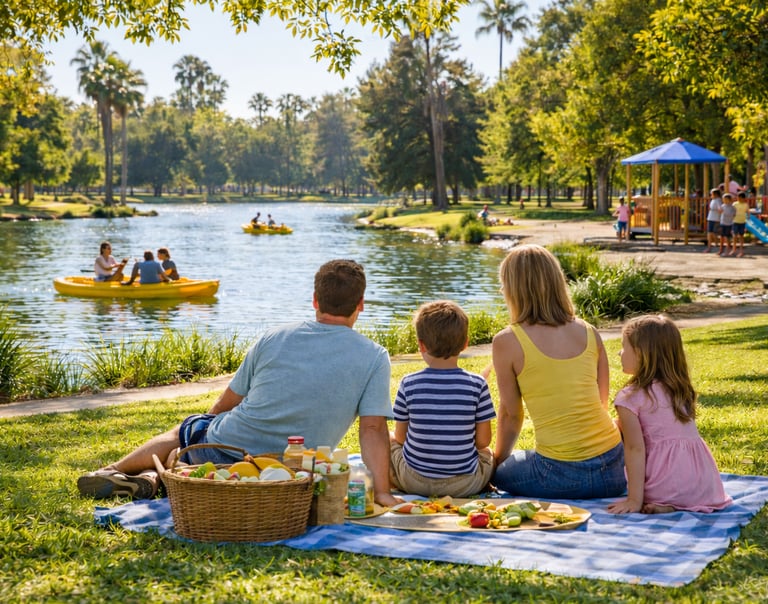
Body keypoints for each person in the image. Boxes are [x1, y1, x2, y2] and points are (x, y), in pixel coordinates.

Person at [78, 259, 401, 507]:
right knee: (190, 450)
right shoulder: (374, 356)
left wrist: (205, 430)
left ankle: (114, 470)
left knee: (188, 430)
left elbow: (226, 402)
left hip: (226, 452)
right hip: (298, 470)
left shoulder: (274, 337)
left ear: (315, 300)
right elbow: (372, 430)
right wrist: (383, 493)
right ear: (360, 304)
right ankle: (154, 477)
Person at [488, 244, 625, 499]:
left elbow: (510, 415)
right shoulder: (589, 331)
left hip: (558, 475)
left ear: (513, 289)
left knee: (498, 472)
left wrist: (498, 464)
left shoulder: (506, 341)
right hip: (614, 469)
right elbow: (602, 401)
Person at [607, 316, 732, 514]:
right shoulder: (679, 388)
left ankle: (664, 500)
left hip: (666, 482)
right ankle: (673, 505)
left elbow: (635, 449)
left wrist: (633, 500)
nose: (619, 352)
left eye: (624, 346)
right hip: (704, 485)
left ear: (641, 353)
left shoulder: (629, 397)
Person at [389, 300, 496, 498]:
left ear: (421, 345)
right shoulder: (478, 384)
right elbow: (483, 442)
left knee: (387, 439)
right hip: (465, 485)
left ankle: (390, 481)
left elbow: (401, 437)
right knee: (488, 454)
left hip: (414, 482)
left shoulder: (408, 383)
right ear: (465, 343)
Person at [702, 188, 722, 253]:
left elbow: (719, 209)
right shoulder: (713, 200)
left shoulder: (718, 200)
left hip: (715, 218)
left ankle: (712, 245)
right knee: (710, 233)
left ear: (715, 194)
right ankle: (714, 244)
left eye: (712, 194)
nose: (711, 195)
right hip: (711, 217)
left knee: (711, 232)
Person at [732, 191, 748, 257]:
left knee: (741, 236)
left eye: (741, 198)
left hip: (742, 222)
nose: (739, 199)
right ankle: (734, 250)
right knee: (735, 236)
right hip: (735, 221)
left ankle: (741, 251)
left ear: (744, 198)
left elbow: (748, 212)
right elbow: (732, 211)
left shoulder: (746, 204)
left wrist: (748, 219)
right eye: (738, 197)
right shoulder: (734, 204)